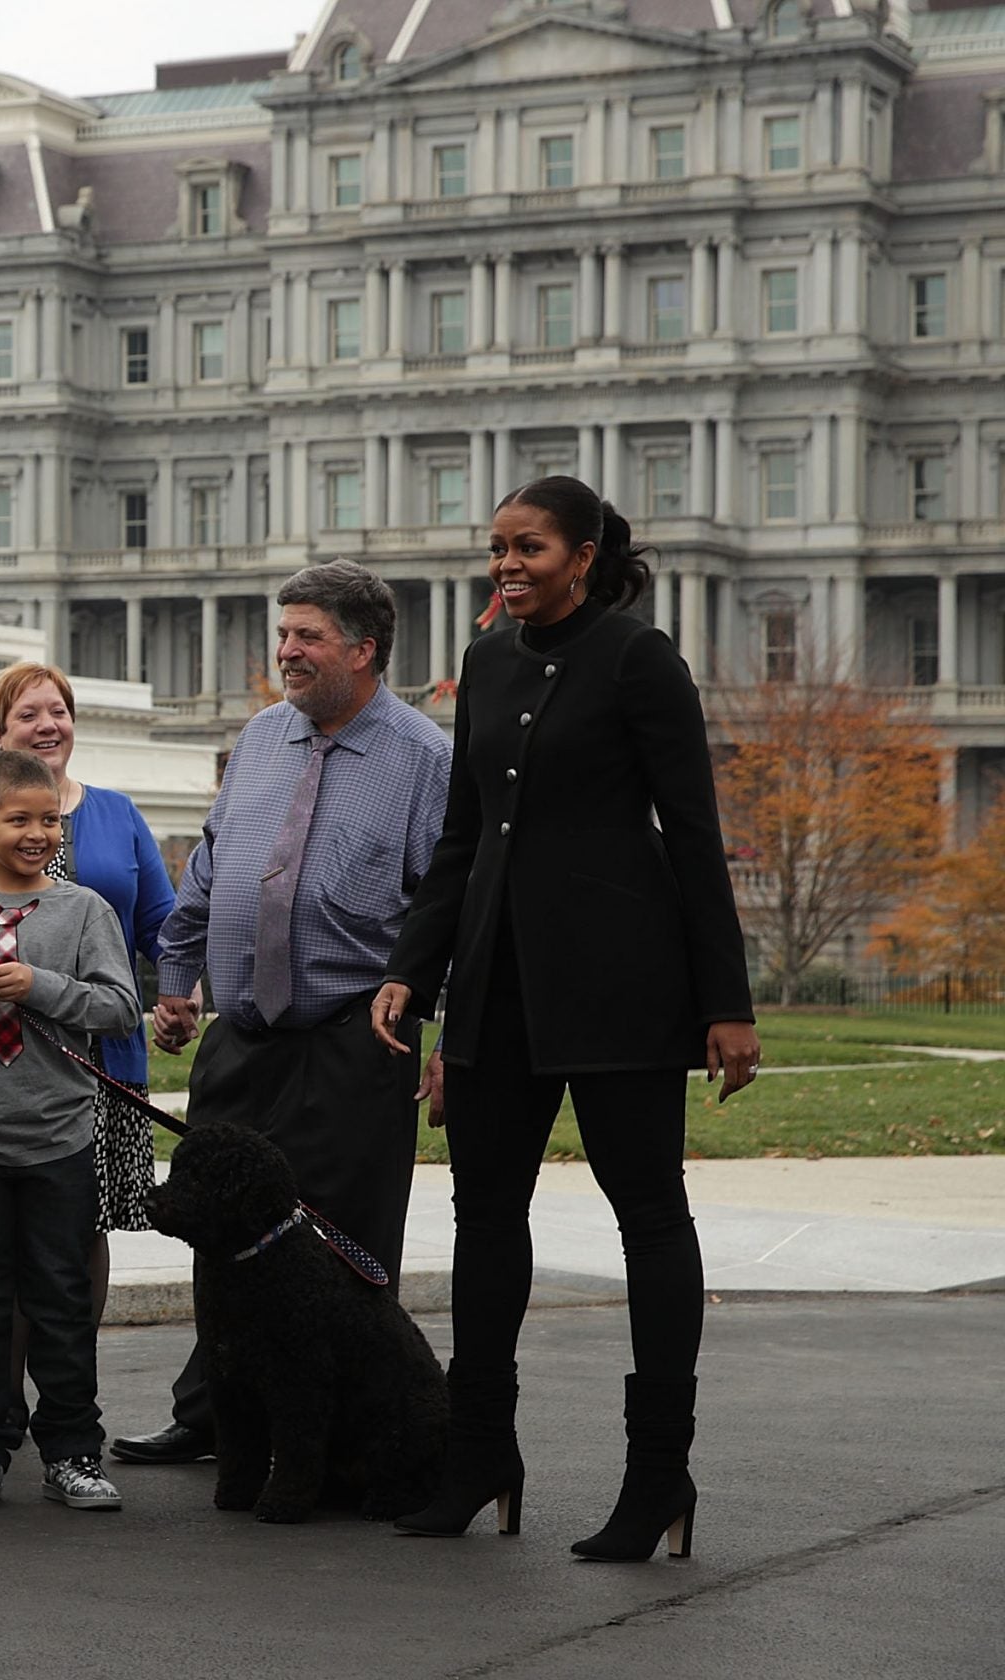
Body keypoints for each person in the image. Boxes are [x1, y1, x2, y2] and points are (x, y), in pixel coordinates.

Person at [371, 478, 759, 1561]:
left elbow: (691, 833)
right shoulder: (488, 662)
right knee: (484, 1217)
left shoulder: (639, 660)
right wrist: (416, 969)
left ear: (581, 555)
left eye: (526, 547)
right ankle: (480, 1453)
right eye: (495, 547)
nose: (505, 564)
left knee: (649, 1214)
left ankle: (657, 1476)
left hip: (623, 985)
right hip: (497, 982)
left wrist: (725, 1004)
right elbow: (461, 839)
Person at [111, 560, 452, 1469]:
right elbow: (213, 870)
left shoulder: (425, 759)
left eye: (306, 636)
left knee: (339, 1254)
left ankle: (347, 1446)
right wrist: (178, 978)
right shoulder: (261, 738)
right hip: (242, 1040)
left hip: (354, 1041)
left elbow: (447, 910)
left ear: (364, 648)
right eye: (284, 633)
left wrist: (447, 1033)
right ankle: (215, 1419)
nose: (286, 652)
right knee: (219, 1237)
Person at [0, 749, 143, 1513]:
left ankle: (73, 1449)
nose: (37, 833)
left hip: (59, 1143)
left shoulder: (86, 913)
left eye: (49, 821)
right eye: (19, 820)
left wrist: (40, 985)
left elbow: (118, 1007)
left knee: (62, 1298)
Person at [0, 662, 176, 1308]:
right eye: (29, 714)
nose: (48, 725)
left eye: (58, 711)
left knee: (80, 1230)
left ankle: (69, 1388)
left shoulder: (119, 813)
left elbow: (162, 924)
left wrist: (177, 995)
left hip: (96, 1064)